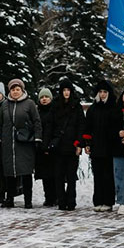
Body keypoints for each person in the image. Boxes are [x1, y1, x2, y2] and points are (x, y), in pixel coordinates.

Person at [0, 78, 43, 208]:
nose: (15, 92)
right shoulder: (5, 105)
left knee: (26, 172)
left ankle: (28, 200)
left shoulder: (30, 103)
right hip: (8, 143)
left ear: (22, 90)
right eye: (13, 89)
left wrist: (37, 138)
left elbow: (37, 121)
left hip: (25, 142)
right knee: (9, 172)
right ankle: (9, 199)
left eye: (18, 89)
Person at [44, 78, 85, 211]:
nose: (66, 93)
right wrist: (47, 144)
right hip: (58, 145)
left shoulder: (76, 106)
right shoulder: (55, 106)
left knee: (71, 176)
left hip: (72, 145)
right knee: (59, 176)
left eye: (68, 90)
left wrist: (80, 144)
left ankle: (71, 201)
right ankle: (61, 201)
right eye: (64, 90)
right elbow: (49, 126)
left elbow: (81, 126)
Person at [84, 79, 117, 212]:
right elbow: (88, 127)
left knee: (108, 175)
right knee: (97, 175)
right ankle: (98, 200)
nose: (102, 94)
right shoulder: (93, 108)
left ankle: (108, 201)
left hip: (109, 147)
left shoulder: (113, 108)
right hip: (96, 146)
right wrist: (87, 143)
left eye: (105, 92)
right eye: (100, 92)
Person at [35, 87, 57, 207]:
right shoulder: (37, 111)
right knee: (45, 174)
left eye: (46, 97)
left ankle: (56, 196)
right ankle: (48, 197)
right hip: (40, 146)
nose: (44, 99)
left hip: (52, 146)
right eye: (42, 97)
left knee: (54, 173)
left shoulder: (55, 111)